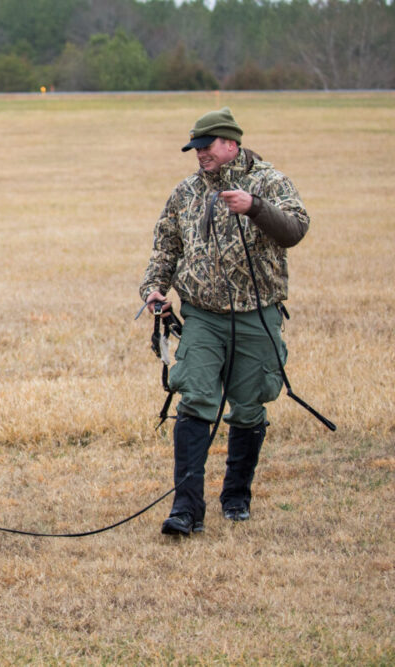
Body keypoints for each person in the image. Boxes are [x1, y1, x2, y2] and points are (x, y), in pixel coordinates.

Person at [139, 107, 309, 536]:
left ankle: (235, 496)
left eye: (206, 146)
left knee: (249, 406)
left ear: (231, 144)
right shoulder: (185, 193)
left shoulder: (269, 181)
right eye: (195, 147)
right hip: (202, 317)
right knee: (194, 399)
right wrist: (154, 290)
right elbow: (165, 247)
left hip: (257, 315)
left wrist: (255, 208)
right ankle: (186, 509)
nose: (199, 154)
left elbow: (295, 229)